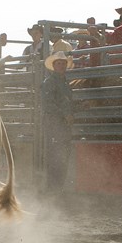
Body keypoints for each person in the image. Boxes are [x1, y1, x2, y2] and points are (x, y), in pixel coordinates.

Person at [40, 51, 75, 192]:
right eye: (59, 63)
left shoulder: (64, 83)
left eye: (63, 63)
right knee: (55, 157)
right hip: (54, 125)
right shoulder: (49, 83)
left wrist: (78, 107)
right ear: (54, 66)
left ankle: (57, 189)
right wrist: (65, 114)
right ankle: (53, 189)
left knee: (62, 157)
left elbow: (67, 104)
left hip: (63, 126)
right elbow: (48, 104)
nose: (61, 66)